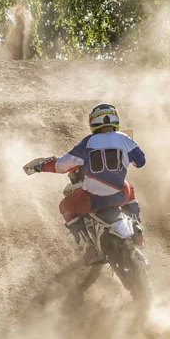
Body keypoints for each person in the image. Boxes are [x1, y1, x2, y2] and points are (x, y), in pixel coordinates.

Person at [31, 103, 146, 265]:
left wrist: (41, 165)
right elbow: (140, 161)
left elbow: (61, 166)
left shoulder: (88, 142)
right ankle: (137, 227)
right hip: (120, 195)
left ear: (93, 123)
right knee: (130, 189)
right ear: (115, 120)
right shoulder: (124, 138)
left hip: (93, 199)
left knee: (65, 207)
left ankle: (88, 246)